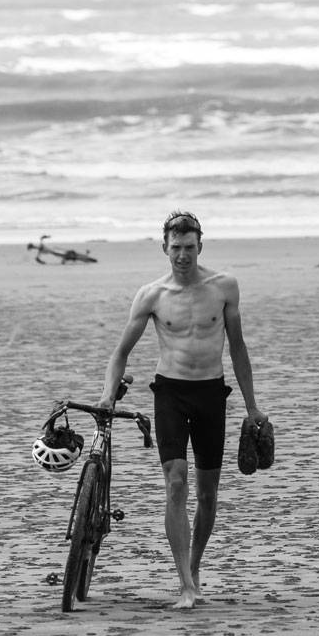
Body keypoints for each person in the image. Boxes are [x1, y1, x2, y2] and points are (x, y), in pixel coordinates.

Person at [97, 209, 270, 608]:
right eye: (175, 248)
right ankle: (185, 584)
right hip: (170, 393)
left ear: (199, 247)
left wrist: (252, 407)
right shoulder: (151, 296)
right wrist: (108, 394)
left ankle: (195, 569)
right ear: (164, 248)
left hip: (211, 392)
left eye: (189, 248)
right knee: (176, 482)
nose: (182, 255)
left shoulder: (224, 287)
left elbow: (239, 348)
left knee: (208, 494)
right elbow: (120, 353)